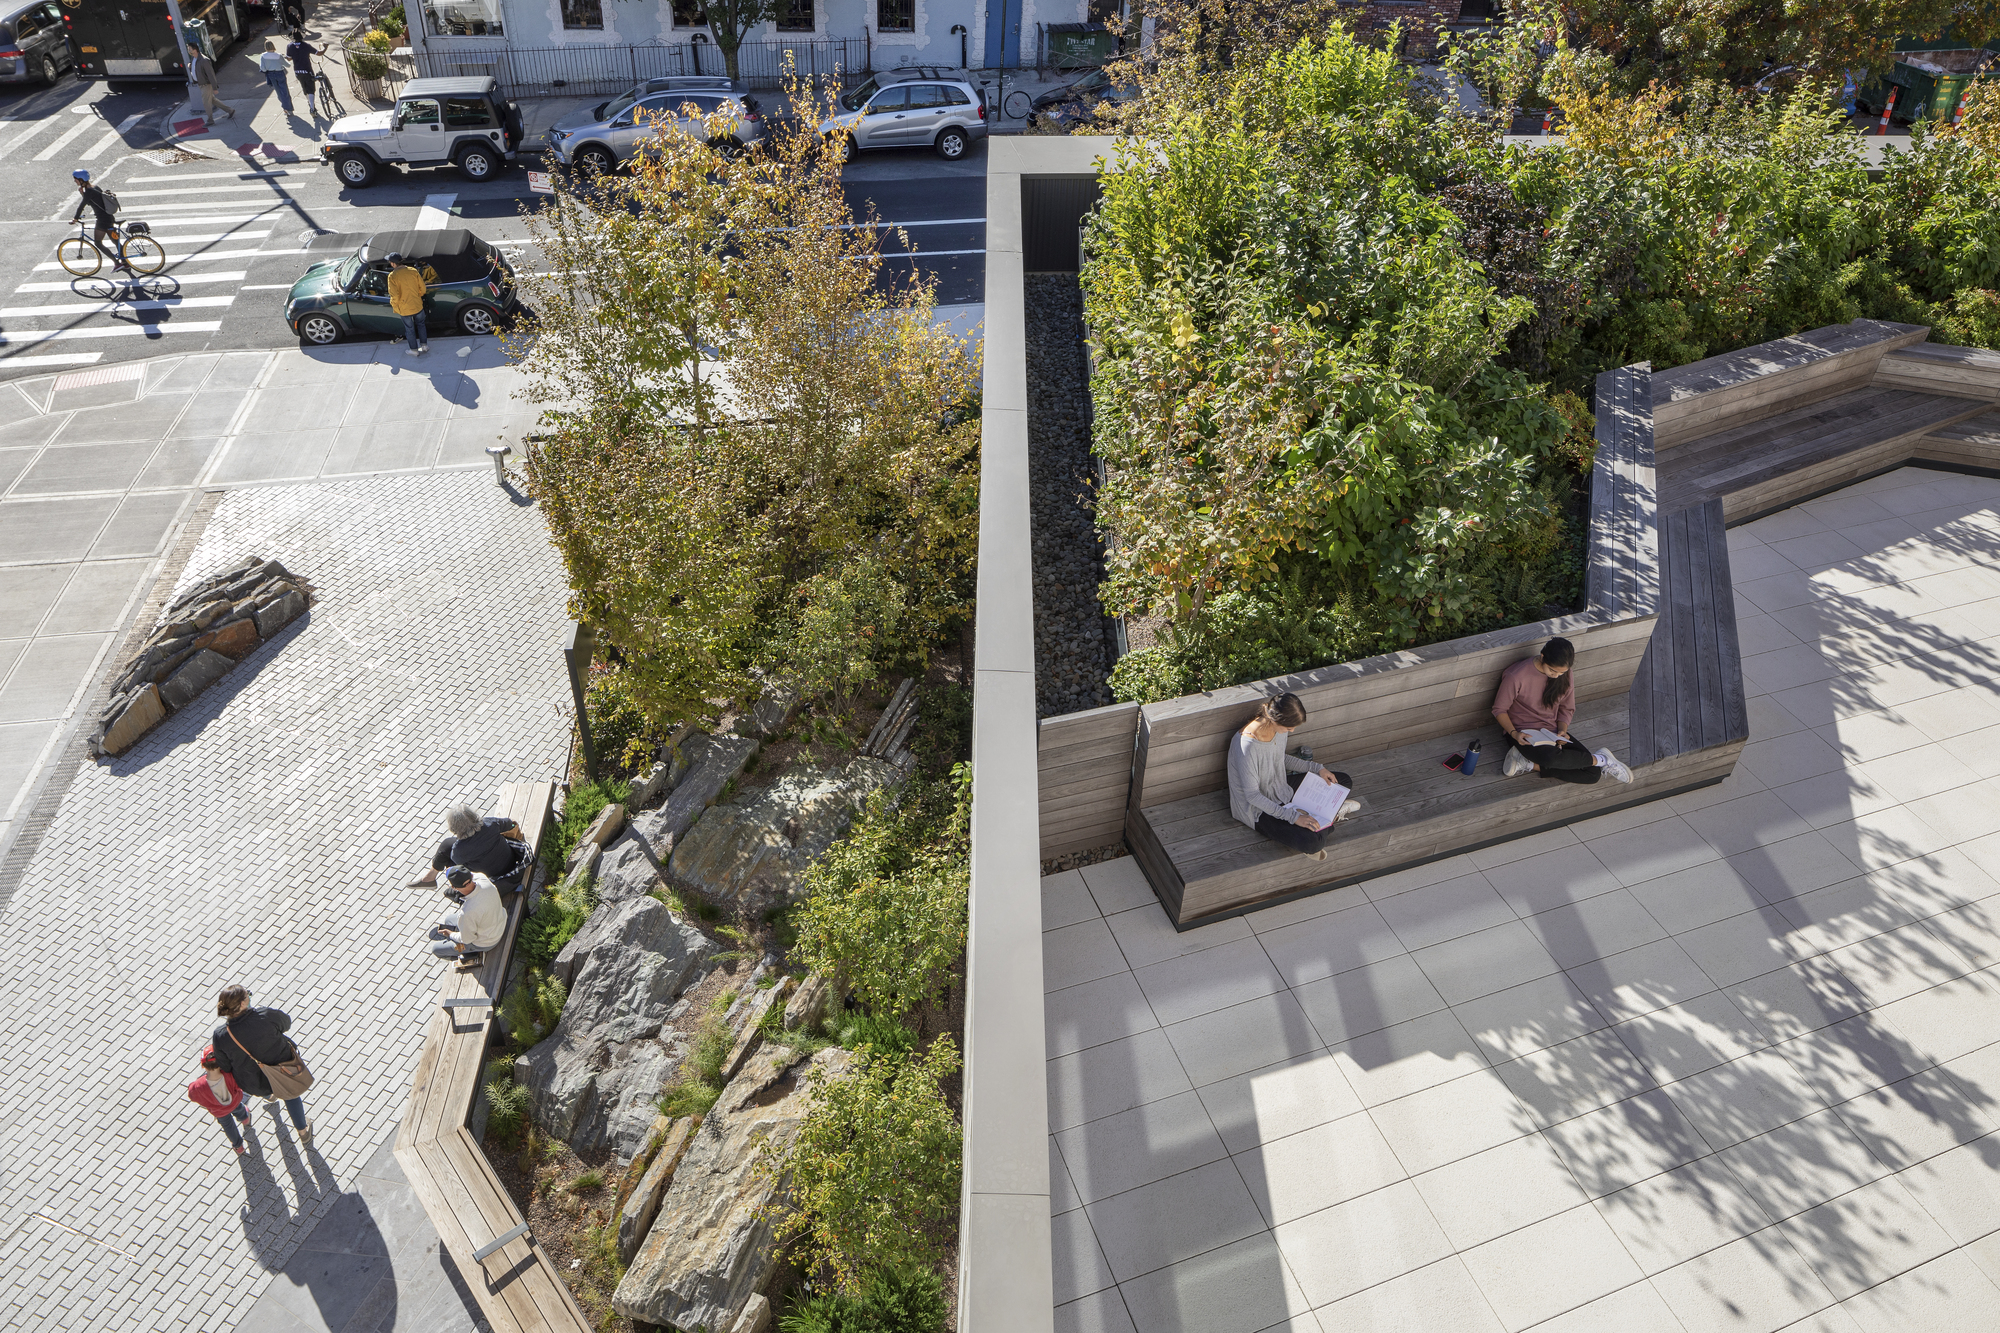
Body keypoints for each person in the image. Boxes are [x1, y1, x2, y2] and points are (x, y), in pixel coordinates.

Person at [1226, 692, 1360, 862]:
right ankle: (1329, 816)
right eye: (1289, 728)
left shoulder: (1276, 727)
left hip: (1280, 786)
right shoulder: (1247, 747)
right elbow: (1252, 796)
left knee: (1341, 781)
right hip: (1258, 809)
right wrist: (1294, 817)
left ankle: (1324, 817)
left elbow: (1279, 758)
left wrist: (1317, 769)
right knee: (1312, 843)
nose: (1292, 731)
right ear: (1276, 719)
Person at [1493, 636, 1634, 784]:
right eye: (1553, 670)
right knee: (1551, 758)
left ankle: (1529, 764)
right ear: (1542, 657)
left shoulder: (1565, 674)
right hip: (1523, 733)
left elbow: (1566, 707)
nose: (1557, 676)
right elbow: (1499, 709)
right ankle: (1602, 759)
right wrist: (1515, 734)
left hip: (1551, 733)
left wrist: (1562, 731)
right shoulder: (1516, 676)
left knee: (1592, 774)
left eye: (1561, 673)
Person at [209, 985, 312, 1145]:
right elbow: (286, 1023)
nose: (250, 997)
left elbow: (225, 1066)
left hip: (252, 1084)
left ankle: (269, 1096)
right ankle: (303, 1132)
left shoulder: (221, 1035)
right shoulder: (265, 1015)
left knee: (264, 1084)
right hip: (284, 1072)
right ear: (243, 1004)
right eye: (248, 995)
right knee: (291, 1096)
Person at [432, 803, 529, 888]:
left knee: (448, 856)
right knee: (447, 845)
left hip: (491, 877)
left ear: (453, 828)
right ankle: (429, 878)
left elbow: (458, 863)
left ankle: (430, 878)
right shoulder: (489, 824)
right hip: (510, 862)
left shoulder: (458, 850)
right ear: (474, 816)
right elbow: (508, 823)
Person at [188, 1046, 256, 1155]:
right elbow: (239, 1085)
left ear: (203, 1065)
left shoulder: (197, 1086)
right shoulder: (229, 1075)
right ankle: (245, 1118)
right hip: (234, 1101)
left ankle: (238, 1146)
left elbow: (192, 1096)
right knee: (239, 1108)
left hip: (219, 1111)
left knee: (228, 1126)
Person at [429, 866, 507, 961]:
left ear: (453, 888)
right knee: (449, 919)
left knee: (436, 949)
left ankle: (469, 954)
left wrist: (450, 934)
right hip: (499, 920)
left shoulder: (467, 912)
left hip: (487, 942)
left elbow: (467, 939)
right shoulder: (482, 878)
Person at [70, 171, 126, 273]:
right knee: (115, 241)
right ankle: (125, 263)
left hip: (102, 220)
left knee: (98, 243)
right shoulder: (94, 187)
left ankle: (117, 264)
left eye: (76, 179)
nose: (74, 181)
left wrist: (75, 218)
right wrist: (83, 194)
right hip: (109, 217)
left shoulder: (89, 191)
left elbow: (82, 205)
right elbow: (92, 202)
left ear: (81, 180)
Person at [387, 253, 428, 354]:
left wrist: (394, 305)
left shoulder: (392, 276)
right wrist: (418, 295)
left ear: (393, 264)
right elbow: (422, 288)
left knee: (410, 329)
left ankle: (414, 350)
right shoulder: (413, 271)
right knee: (421, 325)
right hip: (417, 304)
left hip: (405, 308)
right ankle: (424, 346)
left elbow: (395, 296)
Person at [286, 33, 328, 118]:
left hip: (297, 71)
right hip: (307, 70)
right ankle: (312, 108)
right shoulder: (306, 46)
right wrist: (325, 47)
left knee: (304, 87)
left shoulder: (290, 46)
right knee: (311, 89)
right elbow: (319, 53)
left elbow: (289, 58)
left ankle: (309, 103)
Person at [190, 48, 236, 125]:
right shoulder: (194, 59)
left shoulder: (204, 60)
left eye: (190, 49)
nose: (189, 51)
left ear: (195, 50)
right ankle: (230, 110)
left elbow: (211, 75)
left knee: (206, 103)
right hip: (201, 84)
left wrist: (214, 87)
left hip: (206, 85)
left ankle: (210, 120)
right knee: (212, 100)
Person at [253, 39, 293, 115]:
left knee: (278, 91)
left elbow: (263, 68)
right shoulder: (279, 56)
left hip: (270, 74)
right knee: (285, 91)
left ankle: (285, 107)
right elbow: (288, 65)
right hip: (280, 73)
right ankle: (287, 107)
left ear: (265, 47)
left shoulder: (263, 56)